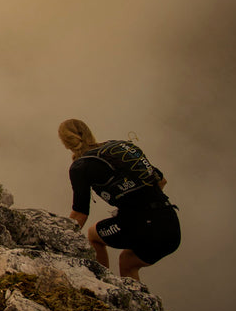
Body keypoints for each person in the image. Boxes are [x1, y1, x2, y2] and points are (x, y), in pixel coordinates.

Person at [58, 118, 180, 281]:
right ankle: (136, 302)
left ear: (65, 142)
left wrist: (58, 239)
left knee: (94, 234)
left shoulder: (80, 166)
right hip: (170, 223)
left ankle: (102, 281)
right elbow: (161, 181)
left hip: (142, 223)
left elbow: (80, 214)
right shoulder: (118, 146)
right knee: (128, 261)